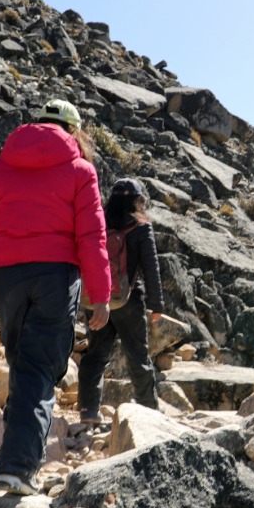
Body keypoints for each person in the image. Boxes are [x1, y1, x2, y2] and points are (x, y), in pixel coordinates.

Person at [0, 98, 111, 495]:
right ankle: (18, 467)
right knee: (40, 370)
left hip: (6, 278)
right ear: (74, 130)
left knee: (21, 364)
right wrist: (101, 295)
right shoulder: (81, 170)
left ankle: (14, 455)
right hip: (55, 276)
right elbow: (92, 237)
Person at [77, 178, 164, 420]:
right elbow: (151, 267)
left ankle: (88, 409)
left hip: (96, 299)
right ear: (137, 200)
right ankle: (149, 410)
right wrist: (157, 304)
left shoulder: (97, 223)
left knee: (95, 354)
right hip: (129, 301)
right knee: (137, 355)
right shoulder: (140, 227)